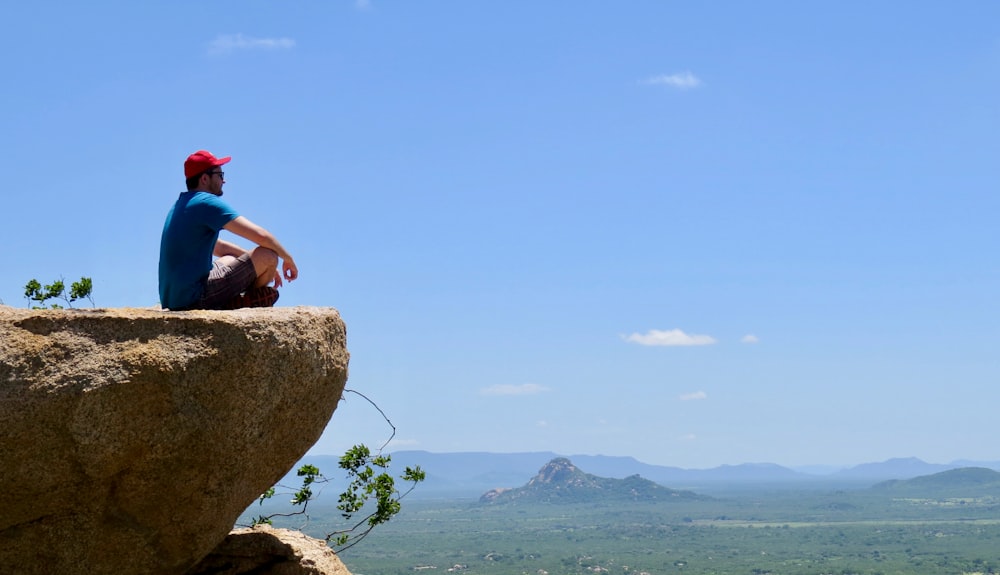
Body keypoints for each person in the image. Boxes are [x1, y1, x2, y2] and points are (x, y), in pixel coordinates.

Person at [158, 150, 298, 310]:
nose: (224, 180)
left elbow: (219, 247)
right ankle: (245, 303)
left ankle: (234, 298)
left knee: (230, 258)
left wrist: (251, 263)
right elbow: (261, 236)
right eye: (220, 175)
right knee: (269, 255)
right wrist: (287, 258)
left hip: (175, 298)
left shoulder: (182, 204)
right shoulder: (206, 202)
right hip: (195, 299)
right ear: (204, 178)